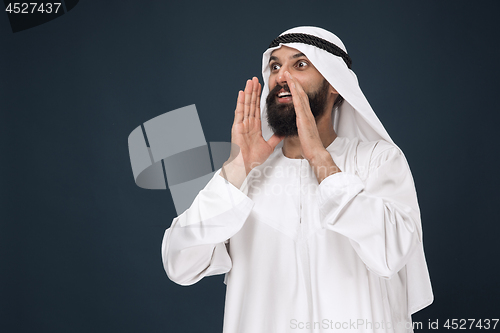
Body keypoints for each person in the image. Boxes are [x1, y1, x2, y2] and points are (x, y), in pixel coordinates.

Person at [161, 26, 433, 333]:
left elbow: (392, 253)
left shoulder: (378, 161)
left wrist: (320, 158)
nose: (281, 77)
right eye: (275, 66)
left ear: (334, 84)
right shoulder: (246, 178)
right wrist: (239, 166)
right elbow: (180, 263)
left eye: (299, 65)